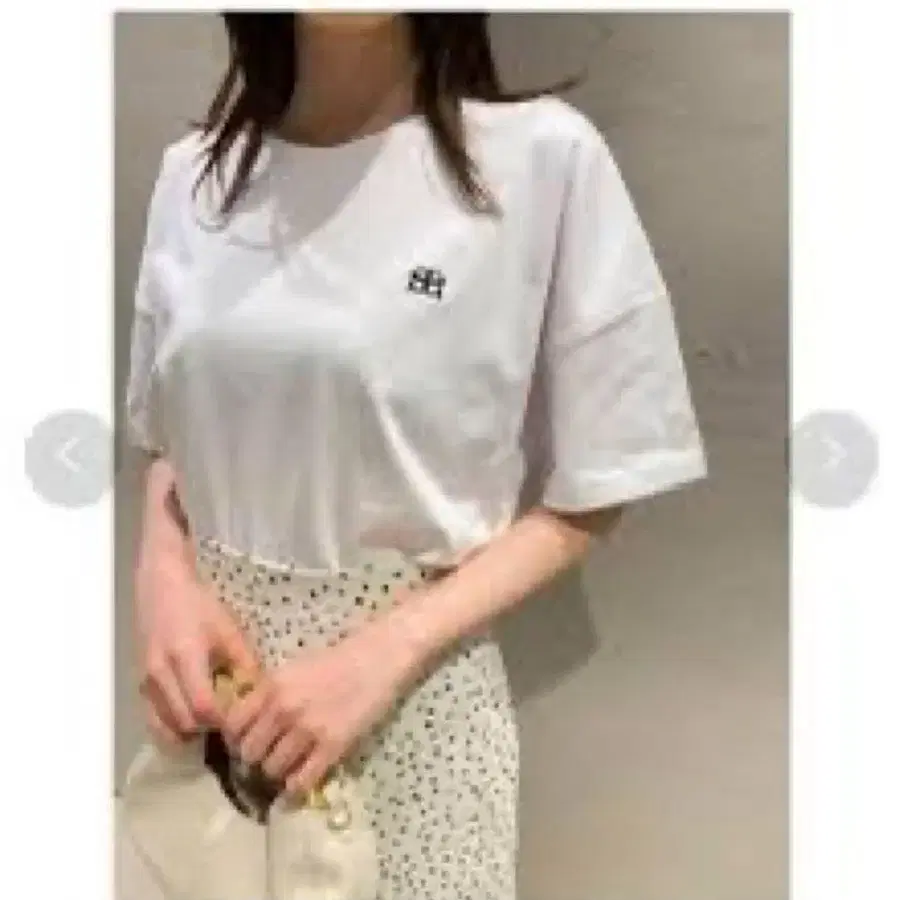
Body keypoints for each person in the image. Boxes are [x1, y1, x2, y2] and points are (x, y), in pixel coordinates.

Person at [120, 11, 707, 900]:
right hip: (218, 727)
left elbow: (598, 485)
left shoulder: (541, 160)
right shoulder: (194, 176)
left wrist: (380, 655)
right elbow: (170, 435)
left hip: (410, 714)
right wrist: (163, 580)